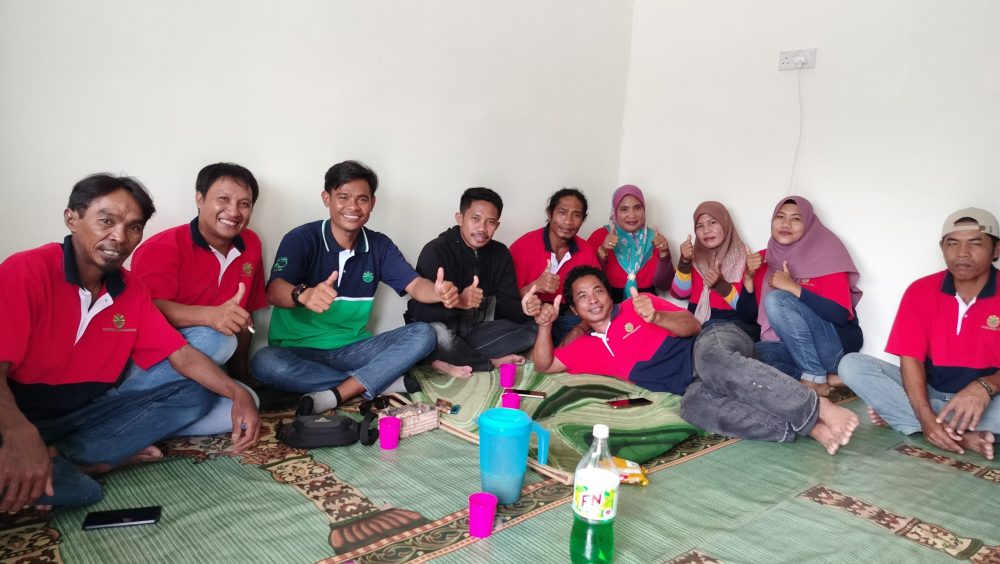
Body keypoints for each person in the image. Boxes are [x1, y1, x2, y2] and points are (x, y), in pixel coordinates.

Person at [0, 174, 259, 511]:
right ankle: (82, 462)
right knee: (83, 492)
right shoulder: (26, 270)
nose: (120, 237)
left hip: (86, 413)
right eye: (106, 221)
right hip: (15, 412)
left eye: (134, 227)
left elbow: (180, 354)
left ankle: (63, 458)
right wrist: (19, 432)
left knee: (195, 395)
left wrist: (237, 392)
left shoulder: (130, 289)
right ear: (72, 219)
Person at [527, 266, 859, 455]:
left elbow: (693, 325)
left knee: (713, 362)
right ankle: (808, 426)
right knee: (694, 407)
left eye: (598, 290)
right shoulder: (587, 347)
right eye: (583, 297)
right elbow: (544, 365)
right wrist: (544, 326)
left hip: (711, 342)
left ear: (608, 293)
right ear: (574, 309)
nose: (593, 300)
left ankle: (819, 406)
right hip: (692, 383)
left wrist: (656, 317)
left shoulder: (638, 305)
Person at [250, 160, 460, 415]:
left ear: (372, 203)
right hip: (298, 349)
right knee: (264, 362)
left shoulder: (379, 245)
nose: (353, 206)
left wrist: (438, 292)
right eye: (343, 197)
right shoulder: (302, 238)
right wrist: (303, 295)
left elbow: (416, 285)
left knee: (425, 333)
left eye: (362, 199)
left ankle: (339, 392)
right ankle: (377, 382)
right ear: (327, 198)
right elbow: (274, 290)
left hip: (355, 349)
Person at [839, 207, 1000, 460]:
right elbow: (911, 359)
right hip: (930, 390)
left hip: (990, 400)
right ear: (942, 247)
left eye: (975, 243)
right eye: (953, 243)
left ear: (996, 250)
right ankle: (951, 431)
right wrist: (925, 415)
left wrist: (985, 387)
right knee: (851, 365)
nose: (962, 253)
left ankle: (903, 415)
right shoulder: (921, 290)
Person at [124, 163, 265, 435]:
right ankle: (120, 404)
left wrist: (241, 378)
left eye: (244, 204)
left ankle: (135, 423)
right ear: (199, 199)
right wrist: (210, 316)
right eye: (223, 199)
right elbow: (144, 313)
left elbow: (245, 319)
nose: (234, 211)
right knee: (220, 338)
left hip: (202, 371)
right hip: (151, 364)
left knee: (246, 407)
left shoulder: (251, 244)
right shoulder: (162, 247)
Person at [737, 196, 863, 397]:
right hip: (791, 349)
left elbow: (840, 315)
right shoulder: (764, 259)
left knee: (776, 299)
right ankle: (828, 379)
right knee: (750, 357)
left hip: (833, 348)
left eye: (796, 219)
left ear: (809, 224)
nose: (786, 224)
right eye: (780, 217)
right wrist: (749, 278)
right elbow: (746, 317)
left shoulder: (828, 253)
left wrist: (793, 288)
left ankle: (815, 376)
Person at [404, 187, 536, 377]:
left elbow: (507, 307)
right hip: (437, 329)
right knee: (436, 335)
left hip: (472, 331)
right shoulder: (436, 250)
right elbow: (419, 313)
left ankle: (449, 357)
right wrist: (459, 301)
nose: (482, 228)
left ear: (497, 225)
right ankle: (487, 362)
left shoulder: (500, 254)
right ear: (460, 218)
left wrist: (527, 309)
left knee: (534, 330)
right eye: (475, 219)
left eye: (490, 222)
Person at [510, 188, 600, 344]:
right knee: (528, 337)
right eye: (562, 212)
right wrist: (535, 286)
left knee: (602, 331)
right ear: (549, 213)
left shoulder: (586, 250)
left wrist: (579, 329)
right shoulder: (523, 246)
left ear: (583, 219)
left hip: (567, 318)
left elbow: (598, 299)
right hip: (529, 317)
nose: (568, 221)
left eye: (576, 215)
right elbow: (507, 300)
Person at [670, 201, 757, 339]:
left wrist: (721, 285)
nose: (706, 230)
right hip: (694, 325)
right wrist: (684, 262)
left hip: (730, 327)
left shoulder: (743, 258)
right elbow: (679, 294)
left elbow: (747, 313)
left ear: (725, 224)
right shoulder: (693, 256)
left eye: (712, 222)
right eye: (700, 226)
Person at [587, 184, 673, 303]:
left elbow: (664, 285)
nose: (632, 215)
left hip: (647, 306)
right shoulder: (600, 236)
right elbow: (586, 281)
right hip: (606, 305)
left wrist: (664, 253)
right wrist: (603, 251)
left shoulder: (656, 239)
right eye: (624, 209)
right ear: (615, 212)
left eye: (637, 208)